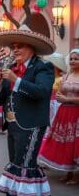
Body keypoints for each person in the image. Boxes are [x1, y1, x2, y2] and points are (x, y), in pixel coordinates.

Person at [0, 25, 56, 196]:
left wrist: (17, 80)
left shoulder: (43, 66)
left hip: (31, 123)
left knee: (25, 165)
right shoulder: (11, 67)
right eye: (13, 47)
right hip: (12, 124)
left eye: (20, 46)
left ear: (31, 47)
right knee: (15, 162)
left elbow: (42, 91)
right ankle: (14, 192)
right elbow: (1, 99)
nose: (15, 50)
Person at [38, 48, 79, 185]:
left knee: (75, 143)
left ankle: (76, 176)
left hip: (77, 113)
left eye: (76, 59)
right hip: (64, 113)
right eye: (71, 59)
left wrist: (68, 100)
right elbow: (60, 93)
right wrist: (62, 98)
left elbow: (66, 97)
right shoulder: (66, 76)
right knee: (66, 143)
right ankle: (69, 172)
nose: (73, 61)